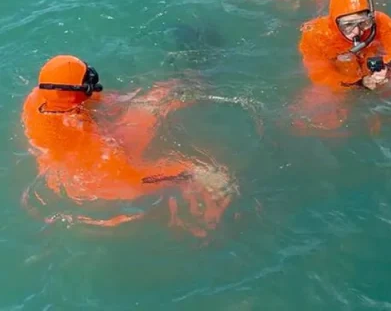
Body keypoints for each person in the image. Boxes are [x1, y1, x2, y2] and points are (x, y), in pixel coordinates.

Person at [21, 55, 236, 237]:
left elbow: (89, 102)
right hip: (95, 188)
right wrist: (189, 173)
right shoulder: (87, 140)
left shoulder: (36, 98)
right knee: (155, 105)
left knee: (150, 102)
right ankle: (200, 79)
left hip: (63, 172)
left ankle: (189, 81)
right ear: (81, 91)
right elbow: (131, 181)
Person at [291, 0, 391, 134]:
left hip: (372, 64)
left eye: (363, 23)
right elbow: (320, 73)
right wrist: (359, 83)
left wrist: (385, 68)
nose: (357, 31)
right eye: (347, 25)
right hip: (342, 73)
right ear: (335, 21)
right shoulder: (316, 35)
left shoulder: (380, 21)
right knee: (314, 116)